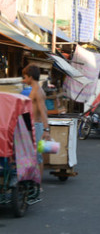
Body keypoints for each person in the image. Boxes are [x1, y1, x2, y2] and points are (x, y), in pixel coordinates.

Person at [22, 64, 50, 199]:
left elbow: (43, 111)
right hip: (33, 126)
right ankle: (33, 182)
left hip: (38, 127)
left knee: (38, 157)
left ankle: (38, 185)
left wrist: (46, 129)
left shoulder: (38, 91)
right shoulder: (33, 89)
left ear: (30, 77)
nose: (23, 80)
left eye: (25, 77)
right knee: (32, 156)